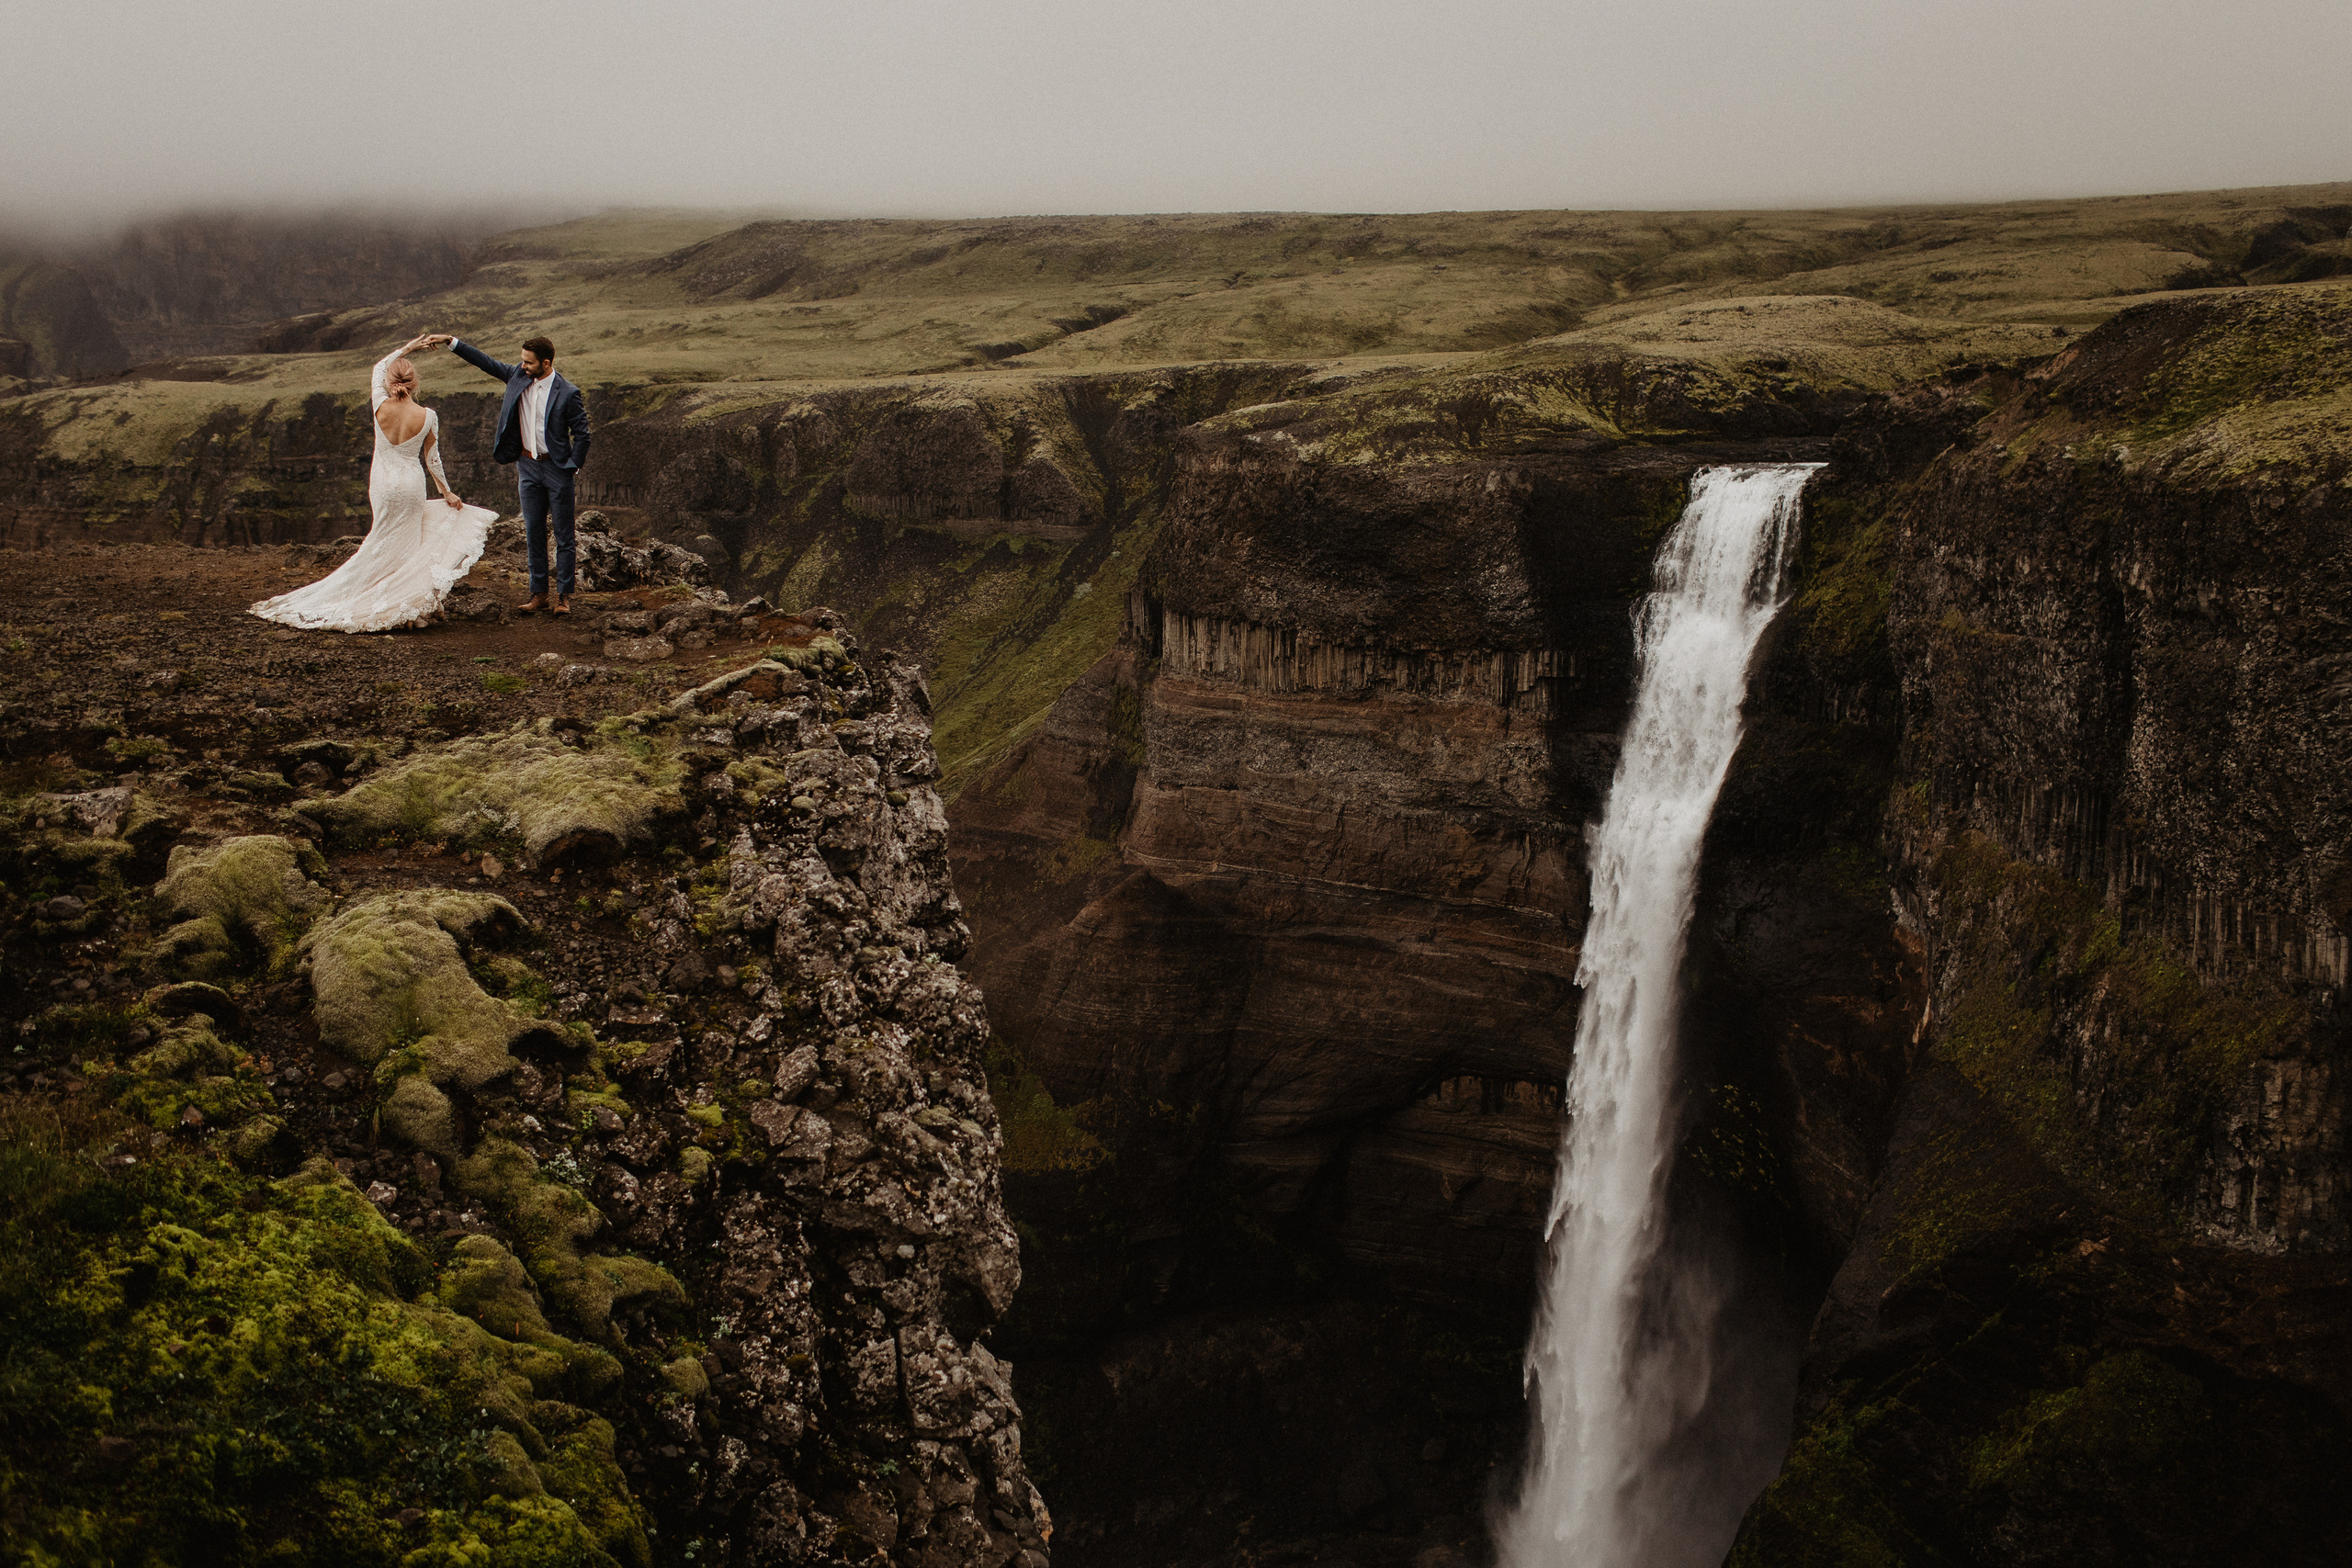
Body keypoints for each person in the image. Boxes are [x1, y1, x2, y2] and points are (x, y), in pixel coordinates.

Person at [250, 335, 497, 633]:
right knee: (407, 547)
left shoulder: (379, 404)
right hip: (411, 486)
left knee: (380, 541)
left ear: (390, 381)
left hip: (383, 484)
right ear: (415, 383)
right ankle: (406, 607)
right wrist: (447, 492)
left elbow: (379, 365)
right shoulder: (428, 416)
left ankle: (391, 601)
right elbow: (433, 461)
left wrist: (410, 347)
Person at [418, 331, 590, 615]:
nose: (523, 365)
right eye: (522, 361)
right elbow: (484, 362)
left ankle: (564, 598)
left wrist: (572, 467)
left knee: (564, 536)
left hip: (558, 470)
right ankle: (538, 595)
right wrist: (451, 342)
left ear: (546, 363)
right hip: (527, 468)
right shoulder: (517, 376)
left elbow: (583, 435)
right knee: (533, 531)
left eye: (529, 362)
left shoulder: (568, 392)